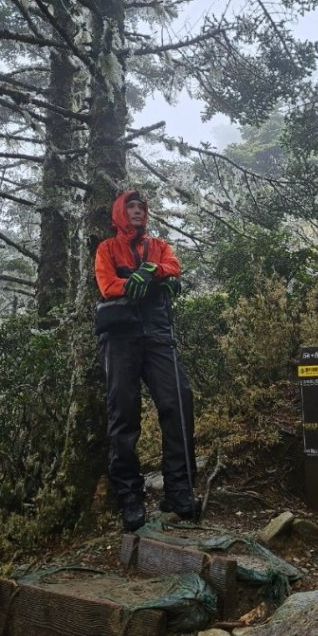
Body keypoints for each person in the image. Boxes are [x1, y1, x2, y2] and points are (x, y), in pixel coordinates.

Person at [94, 189, 198, 532]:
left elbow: (173, 266)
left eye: (141, 208)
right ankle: (130, 497)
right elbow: (107, 285)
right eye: (131, 207)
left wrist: (153, 273)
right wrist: (135, 283)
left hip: (157, 334)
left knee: (178, 401)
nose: (137, 212)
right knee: (123, 414)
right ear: (120, 213)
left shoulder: (158, 246)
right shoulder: (107, 248)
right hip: (120, 337)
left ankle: (179, 491)